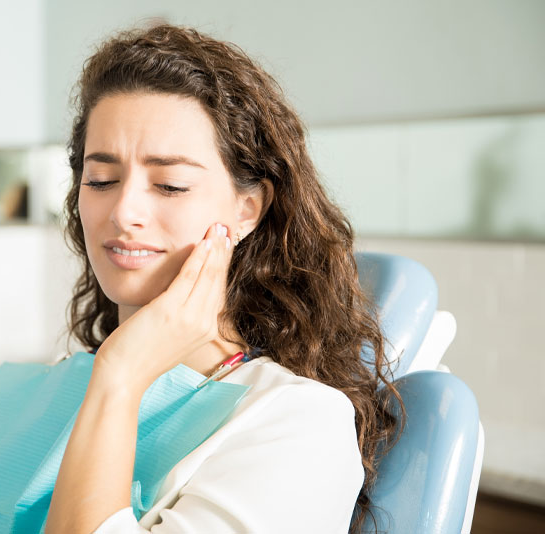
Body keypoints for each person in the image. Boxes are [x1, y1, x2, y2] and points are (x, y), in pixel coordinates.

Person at [44, 23, 404, 534]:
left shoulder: (297, 423)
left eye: (169, 185)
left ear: (247, 209)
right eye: (100, 180)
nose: (123, 212)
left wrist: (121, 375)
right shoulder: (63, 384)